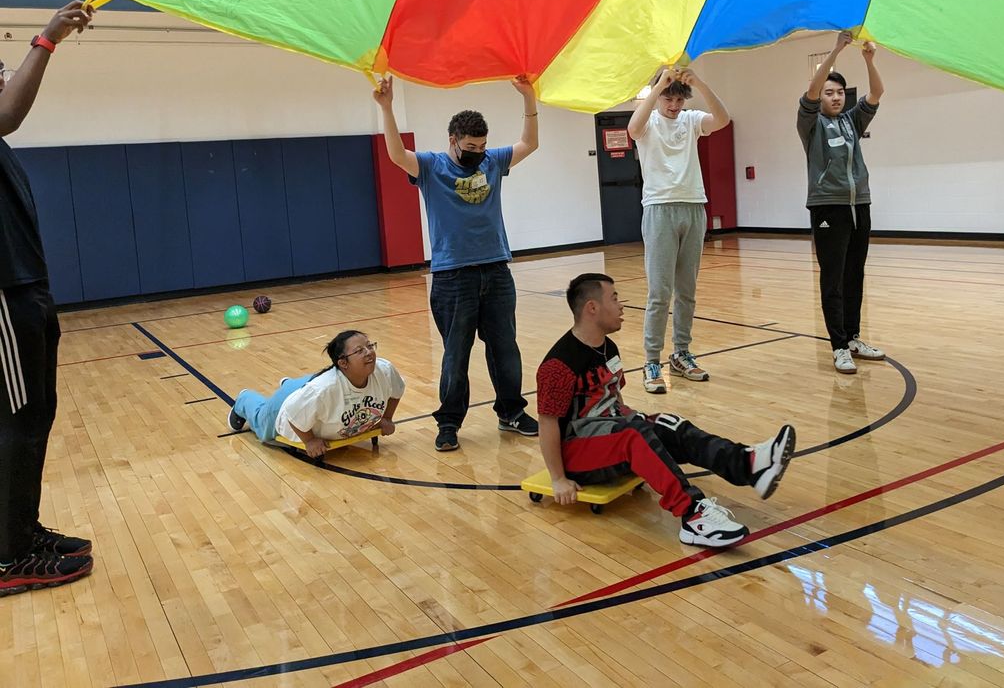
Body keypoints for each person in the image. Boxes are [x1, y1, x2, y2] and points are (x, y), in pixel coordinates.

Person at [535, 273, 796, 548]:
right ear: (592, 308)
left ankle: (749, 464)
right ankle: (692, 514)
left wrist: (646, 422)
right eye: (614, 298)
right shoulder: (558, 364)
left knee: (669, 424)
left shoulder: (607, 347)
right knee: (633, 435)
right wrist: (559, 479)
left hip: (610, 430)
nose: (622, 305)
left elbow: (612, 399)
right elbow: (547, 422)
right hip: (576, 452)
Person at [374, 76, 540, 451]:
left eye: (481, 146)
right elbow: (397, 155)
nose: (477, 152)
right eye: (470, 146)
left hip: (497, 269)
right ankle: (448, 423)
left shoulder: (493, 161)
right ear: (453, 140)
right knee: (455, 356)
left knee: (505, 349)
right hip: (452, 277)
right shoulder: (432, 167)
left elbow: (529, 142)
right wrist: (386, 107)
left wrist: (529, 98)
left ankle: (511, 411)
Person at [0, 0, 96, 596]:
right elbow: (9, 113)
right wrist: (48, 38)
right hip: (4, 297)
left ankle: (20, 530)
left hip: (26, 289)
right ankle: (8, 557)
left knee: (36, 416)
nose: (4, 77)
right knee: (14, 422)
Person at [627, 67, 731, 393]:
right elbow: (632, 128)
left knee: (687, 291)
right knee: (660, 292)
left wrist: (698, 81)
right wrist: (659, 83)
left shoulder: (691, 120)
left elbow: (723, 119)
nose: (673, 104)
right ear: (658, 96)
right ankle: (652, 360)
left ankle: (682, 353)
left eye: (677, 99)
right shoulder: (649, 124)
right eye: (667, 98)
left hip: (693, 207)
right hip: (659, 209)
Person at [799, 31, 886, 374]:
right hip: (827, 207)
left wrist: (868, 60)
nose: (834, 98)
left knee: (855, 274)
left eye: (839, 93)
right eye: (828, 93)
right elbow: (810, 91)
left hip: (858, 205)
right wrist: (836, 49)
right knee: (832, 277)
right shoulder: (810, 123)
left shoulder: (852, 120)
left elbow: (877, 93)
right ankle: (837, 346)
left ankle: (852, 337)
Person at [228, 330, 404, 457]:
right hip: (287, 405)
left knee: (310, 396)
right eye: (360, 351)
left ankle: (291, 385)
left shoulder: (385, 370)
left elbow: (397, 390)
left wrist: (386, 417)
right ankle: (245, 399)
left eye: (370, 345)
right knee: (262, 425)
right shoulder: (324, 389)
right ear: (343, 363)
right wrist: (310, 441)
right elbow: (291, 411)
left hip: (309, 390)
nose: (369, 352)